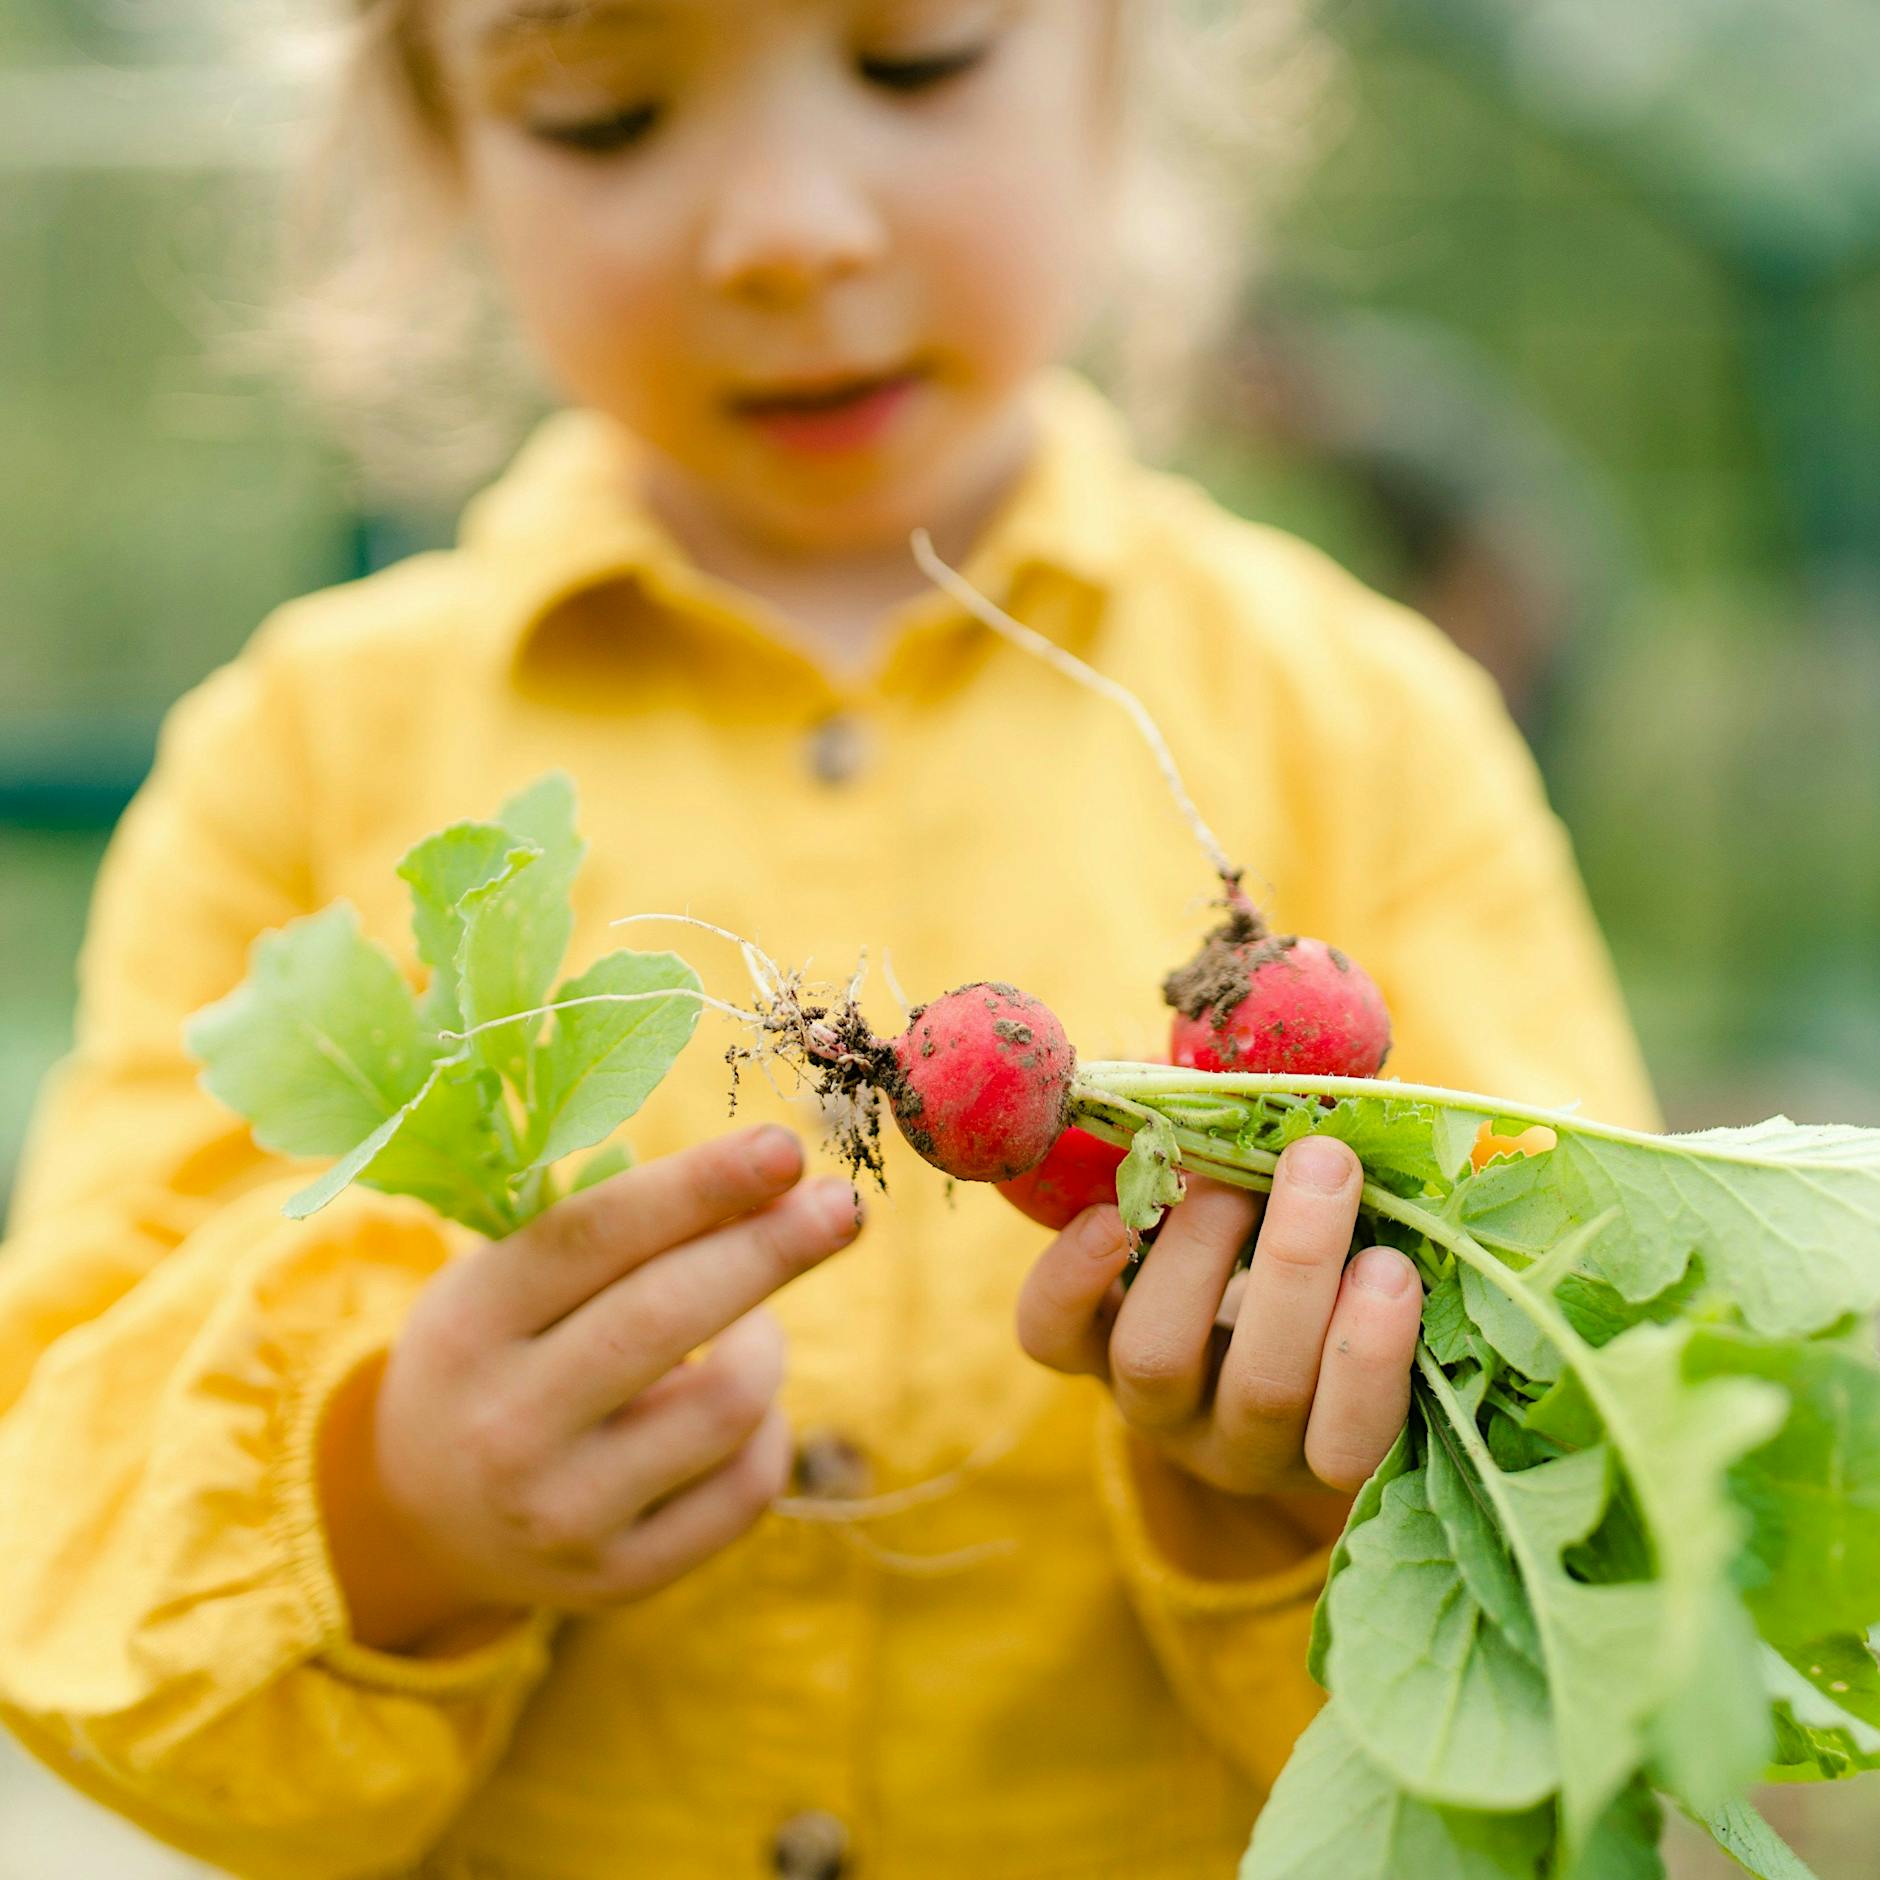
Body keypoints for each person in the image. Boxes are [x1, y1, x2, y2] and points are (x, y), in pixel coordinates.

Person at [0, 2, 1661, 1875]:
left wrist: (1322, 1499)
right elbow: (58, 1525)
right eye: (608, 115)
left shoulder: (1369, 730)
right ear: (439, 148)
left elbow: (1618, 1508)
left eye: (918, 62)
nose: (787, 232)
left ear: (1128, 55)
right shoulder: (295, 759)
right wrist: (392, 1503)